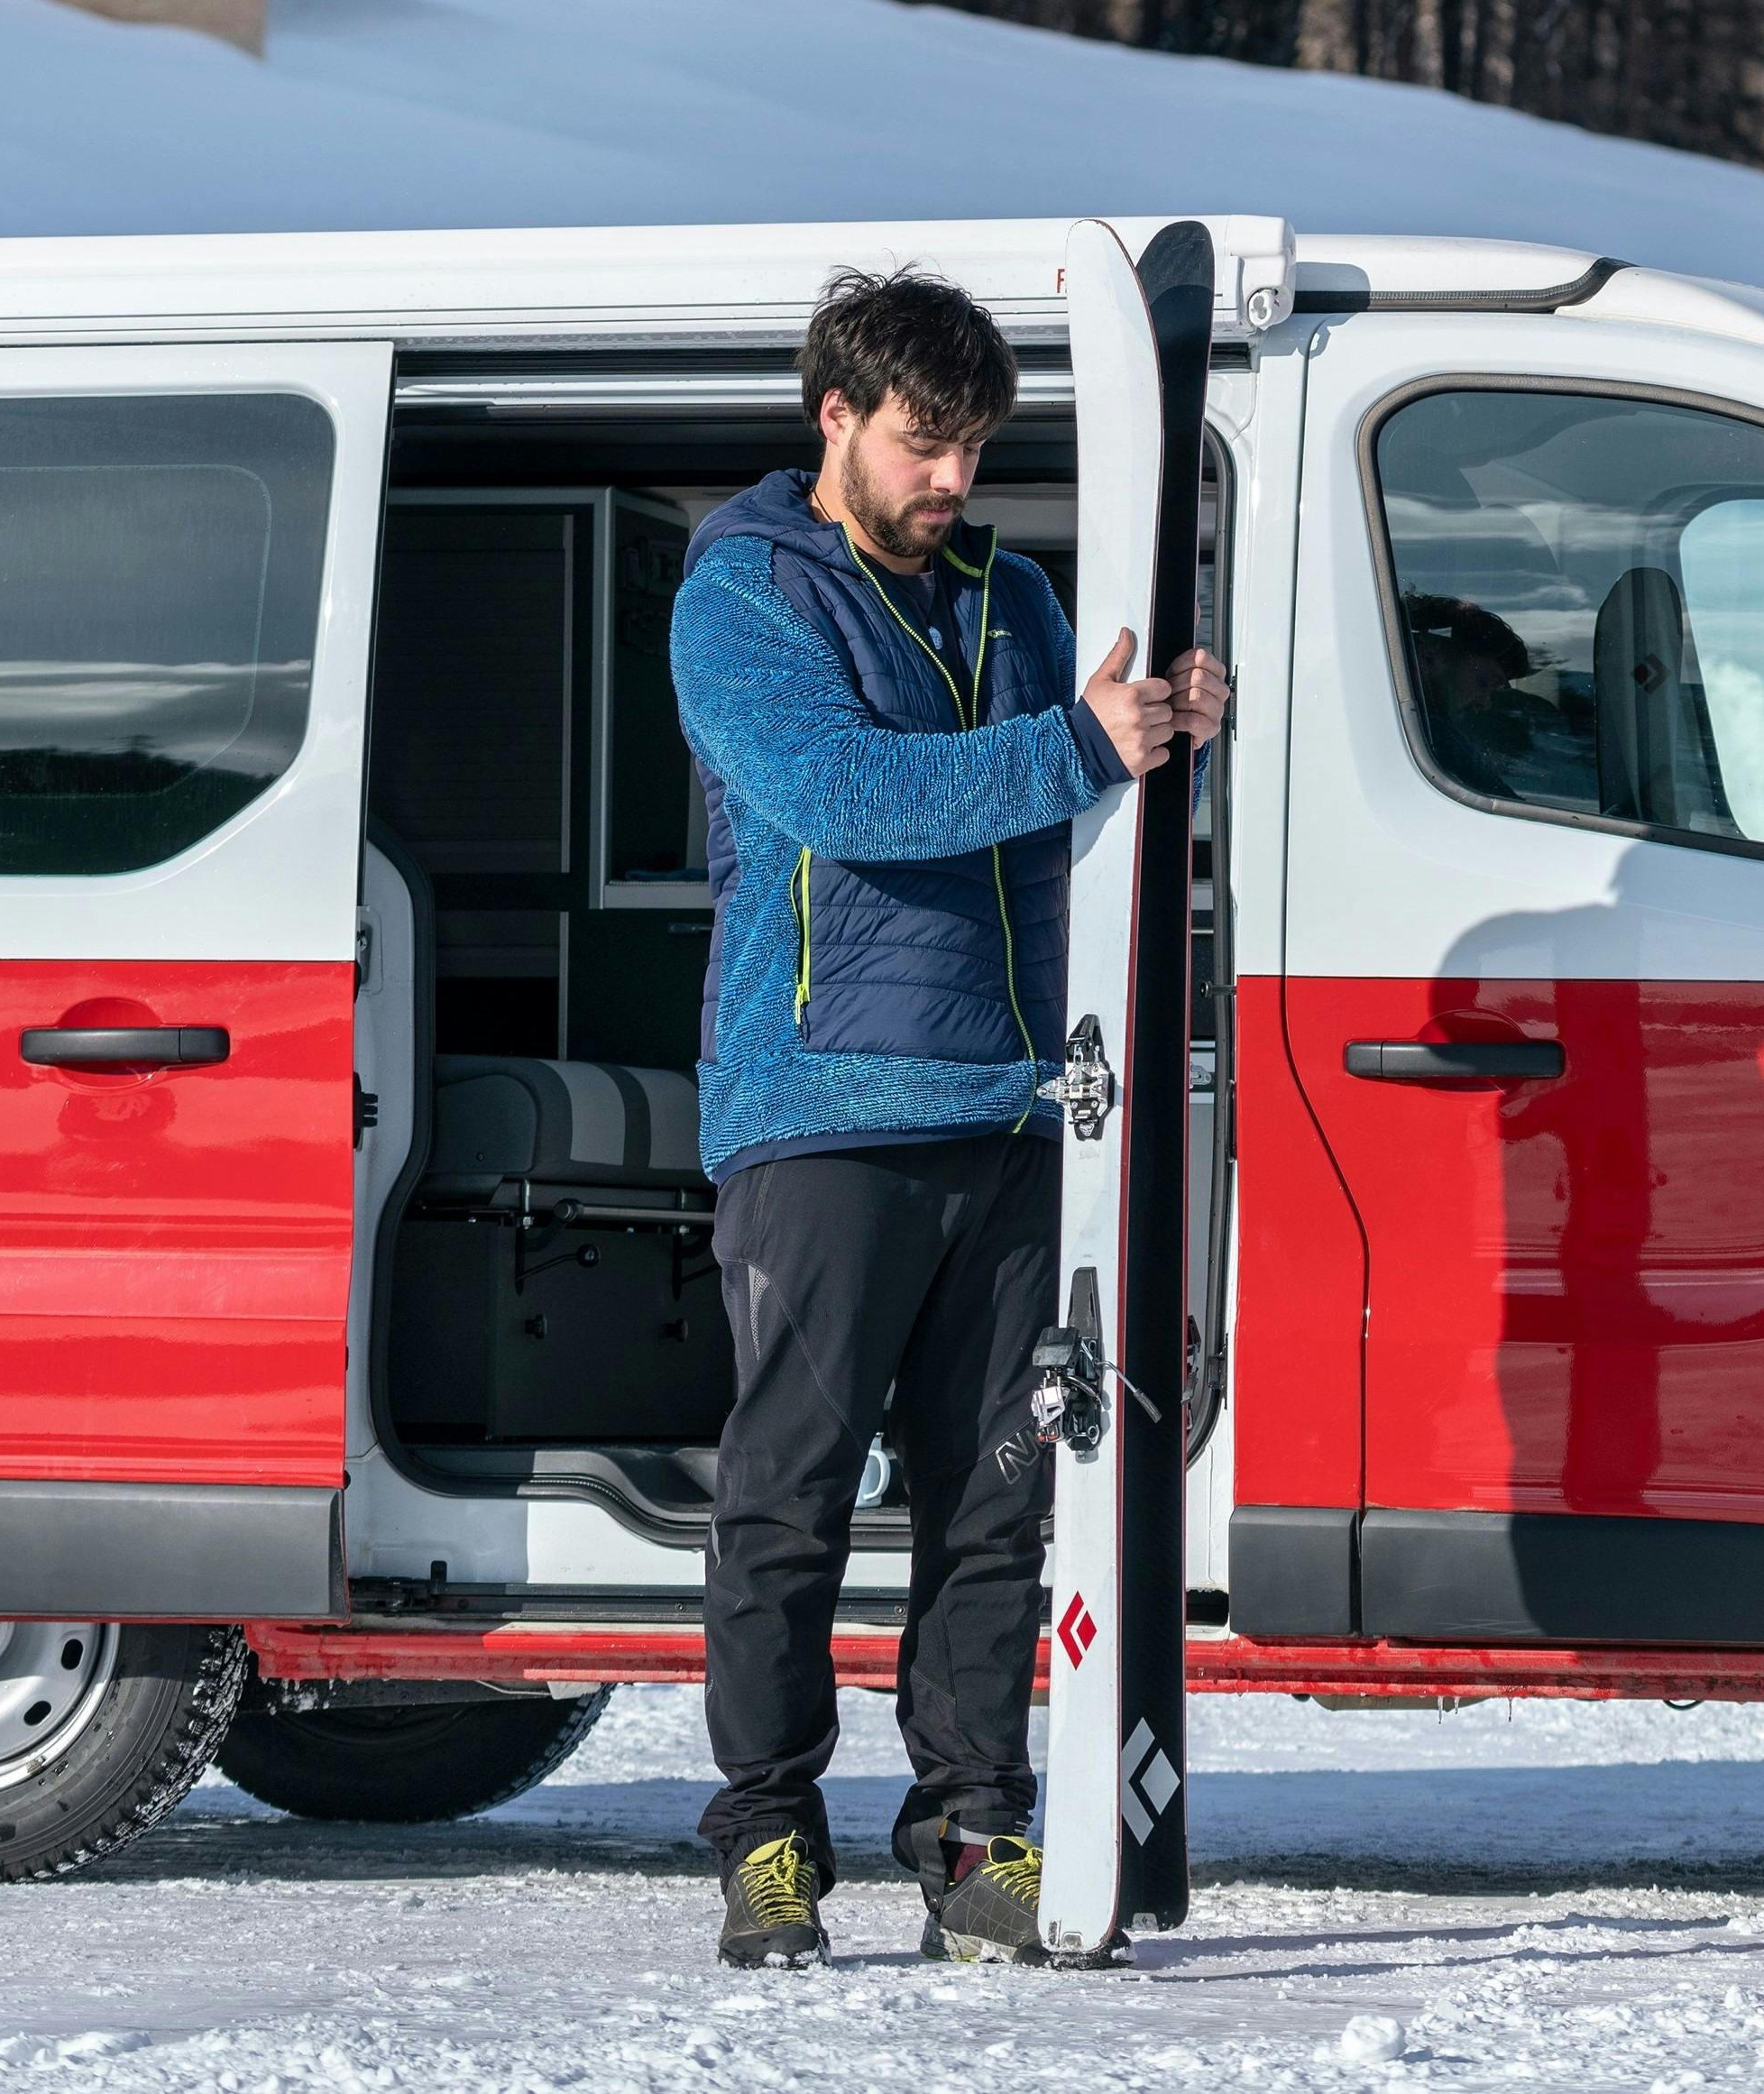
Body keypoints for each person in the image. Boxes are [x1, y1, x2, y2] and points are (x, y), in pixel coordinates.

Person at [668, 266, 1227, 1969]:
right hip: (822, 1107)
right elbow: (840, 791)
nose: (953, 480)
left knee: (994, 1501)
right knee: (790, 1493)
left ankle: (975, 1832)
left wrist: (1170, 736)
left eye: (975, 447)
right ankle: (768, 1837)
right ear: (833, 415)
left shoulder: (1013, 594)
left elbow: (1085, 800)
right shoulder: (742, 593)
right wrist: (1078, 747)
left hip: (1015, 1106)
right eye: (924, 443)